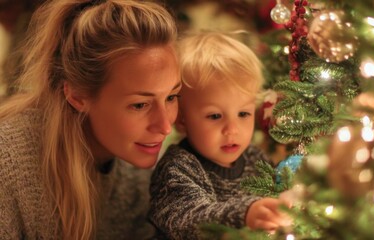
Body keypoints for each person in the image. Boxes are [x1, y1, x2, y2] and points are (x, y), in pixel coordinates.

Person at [0, 0, 181, 239]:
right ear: (76, 96)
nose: (165, 126)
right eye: (139, 104)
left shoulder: (139, 174)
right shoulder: (8, 164)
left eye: (171, 96)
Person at [149, 31, 291, 240]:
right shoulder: (178, 167)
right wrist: (244, 214)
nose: (232, 129)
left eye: (243, 113)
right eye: (215, 116)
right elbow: (190, 220)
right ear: (181, 120)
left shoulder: (254, 158)